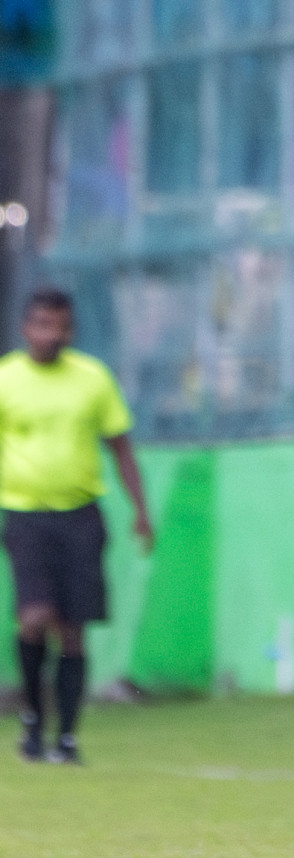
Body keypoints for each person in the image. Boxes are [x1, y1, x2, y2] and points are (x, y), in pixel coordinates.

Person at [2, 286, 153, 764]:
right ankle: (32, 719)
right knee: (34, 618)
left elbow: (120, 446)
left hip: (81, 515)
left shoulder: (92, 379)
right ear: (27, 327)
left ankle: (66, 737)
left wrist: (141, 510)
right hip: (25, 514)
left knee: (73, 628)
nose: (54, 335)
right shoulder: (7, 378)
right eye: (44, 325)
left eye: (62, 326)